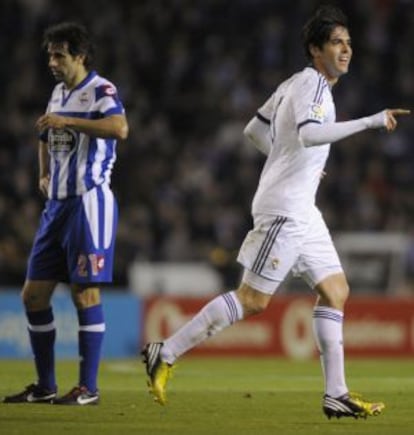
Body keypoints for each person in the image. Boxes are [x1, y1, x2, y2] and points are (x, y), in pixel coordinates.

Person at [142, 5, 410, 418]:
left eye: (349, 42)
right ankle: (167, 350)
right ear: (315, 49)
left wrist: (289, 161)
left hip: (303, 209)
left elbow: (255, 130)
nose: (347, 50)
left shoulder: (293, 84)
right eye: (337, 42)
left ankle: (335, 394)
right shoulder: (315, 87)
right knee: (253, 300)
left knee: (336, 290)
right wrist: (370, 121)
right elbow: (309, 134)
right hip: (285, 210)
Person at [3, 22, 128, 405]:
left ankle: (88, 388)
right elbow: (46, 133)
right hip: (55, 207)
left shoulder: (100, 90)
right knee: (33, 296)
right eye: (50, 55)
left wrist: (70, 121)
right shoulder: (57, 93)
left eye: (59, 55)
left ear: (80, 56)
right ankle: (45, 386)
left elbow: (120, 128)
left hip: (88, 203)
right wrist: (43, 171)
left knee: (84, 294)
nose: (52, 62)